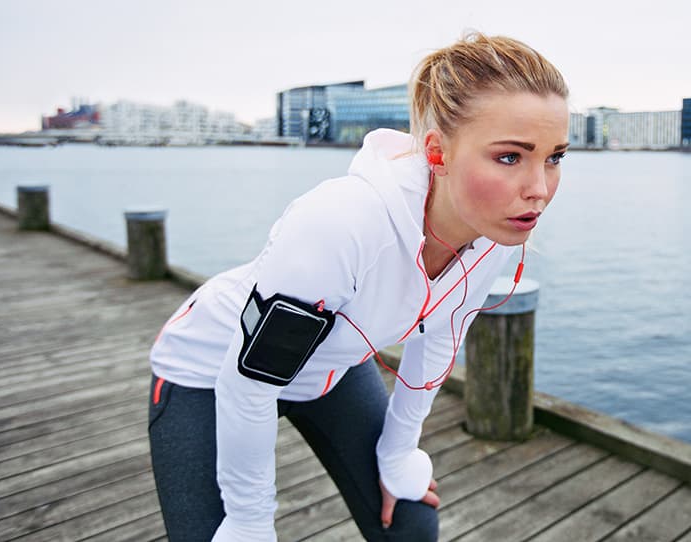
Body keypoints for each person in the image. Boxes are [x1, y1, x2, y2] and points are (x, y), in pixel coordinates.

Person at [147, 31, 570, 541]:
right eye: (509, 157)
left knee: (410, 525)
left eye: (554, 157)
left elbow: (438, 338)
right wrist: (250, 519)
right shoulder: (341, 224)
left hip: (329, 368)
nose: (539, 189)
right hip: (212, 369)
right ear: (437, 152)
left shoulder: (495, 231)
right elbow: (249, 383)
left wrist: (398, 452)